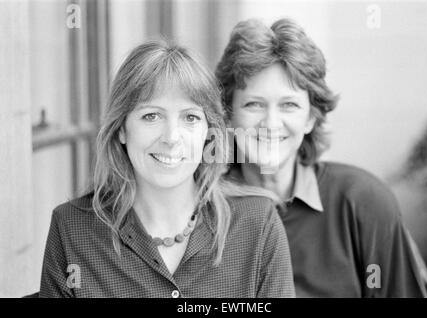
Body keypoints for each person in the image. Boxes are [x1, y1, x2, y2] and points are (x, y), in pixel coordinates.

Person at [39, 39, 295, 298]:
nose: (172, 137)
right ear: (122, 130)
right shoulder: (72, 229)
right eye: (151, 116)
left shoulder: (258, 225)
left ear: (209, 133)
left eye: (190, 117)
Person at [216, 18, 427, 297]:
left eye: (289, 105)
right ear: (228, 115)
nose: (271, 122)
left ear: (311, 118)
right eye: (254, 104)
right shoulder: (202, 213)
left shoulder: (362, 203)